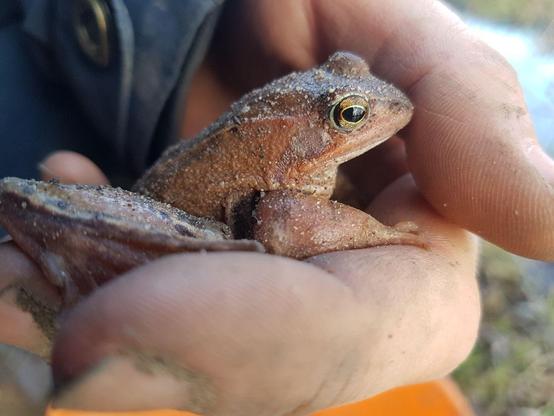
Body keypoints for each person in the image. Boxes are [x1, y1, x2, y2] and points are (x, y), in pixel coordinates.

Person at [1, 0, 553, 414]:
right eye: (352, 114)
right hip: (170, 213)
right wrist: (374, 232)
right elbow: (282, 226)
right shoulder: (297, 179)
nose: (389, 108)